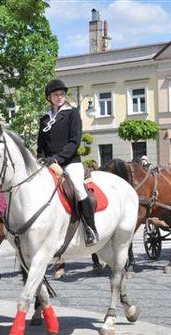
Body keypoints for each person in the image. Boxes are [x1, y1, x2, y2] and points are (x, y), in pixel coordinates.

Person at [37, 79, 99, 246]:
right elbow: (40, 145)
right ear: (49, 97)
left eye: (62, 94)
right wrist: (42, 159)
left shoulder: (72, 113)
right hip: (49, 163)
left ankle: (90, 228)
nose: (60, 97)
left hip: (70, 161)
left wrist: (57, 158)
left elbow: (74, 142)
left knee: (78, 188)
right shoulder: (44, 119)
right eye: (56, 94)